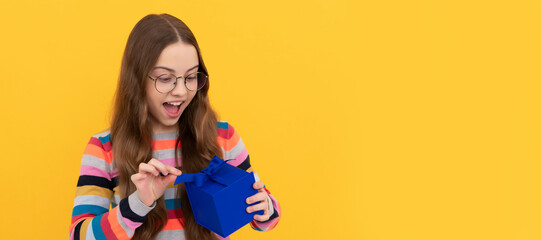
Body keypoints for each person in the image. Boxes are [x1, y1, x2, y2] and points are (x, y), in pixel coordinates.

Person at [69, 13, 281, 240]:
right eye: (165, 78)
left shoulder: (223, 135)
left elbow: (267, 215)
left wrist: (264, 207)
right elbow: (79, 235)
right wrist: (138, 204)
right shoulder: (104, 148)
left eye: (190, 77)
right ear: (137, 79)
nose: (181, 91)